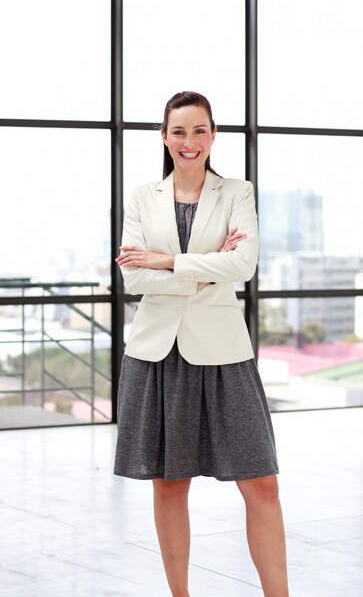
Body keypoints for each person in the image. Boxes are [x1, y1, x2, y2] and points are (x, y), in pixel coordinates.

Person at [114, 91, 289, 597]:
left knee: (261, 483)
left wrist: (166, 261)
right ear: (164, 137)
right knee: (169, 484)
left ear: (213, 135)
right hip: (156, 354)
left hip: (223, 352)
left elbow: (244, 266)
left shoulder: (237, 192)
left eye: (198, 131)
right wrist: (209, 265)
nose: (188, 141)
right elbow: (132, 281)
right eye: (178, 131)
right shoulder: (142, 197)